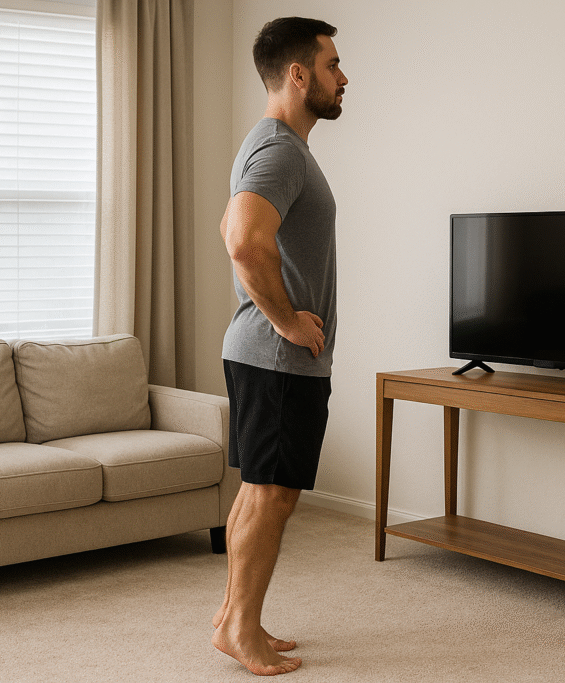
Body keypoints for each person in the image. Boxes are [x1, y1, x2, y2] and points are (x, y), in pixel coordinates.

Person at [211, 16, 348, 677]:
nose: (343, 77)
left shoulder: (271, 144)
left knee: (263, 491)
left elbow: (229, 224)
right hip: (275, 356)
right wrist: (289, 320)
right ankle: (241, 627)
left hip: (266, 355)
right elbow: (242, 238)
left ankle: (232, 617)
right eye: (332, 64)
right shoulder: (282, 150)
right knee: (270, 495)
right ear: (298, 74)